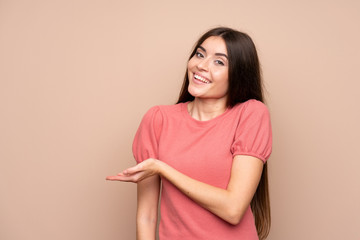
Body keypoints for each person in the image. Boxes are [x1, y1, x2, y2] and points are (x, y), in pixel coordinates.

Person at [106, 27, 272, 240]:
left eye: (219, 62)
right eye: (200, 54)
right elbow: (146, 216)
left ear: (239, 74)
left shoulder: (251, 114)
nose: (201, 65)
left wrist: (163, 168)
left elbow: (233, 209)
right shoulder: (158, 119)